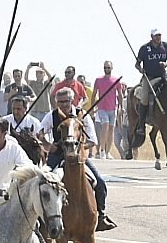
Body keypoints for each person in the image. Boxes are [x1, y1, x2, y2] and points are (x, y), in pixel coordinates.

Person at [40, 88, 116, 231]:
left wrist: (77, 148)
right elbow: (40, 134)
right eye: (60, 102)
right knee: (42, 181)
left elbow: (92, 140)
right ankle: (40, 219)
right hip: (58, 155)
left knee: (99, 182)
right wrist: (50, 147)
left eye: (66, 101)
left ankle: (101, 215)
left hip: (78, 156)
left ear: (72, 101)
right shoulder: (52, 116)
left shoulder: (83, 115)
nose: (63, 105)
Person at [133, 28, 167, 141]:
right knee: (145, 97)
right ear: (151, 36)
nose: (158, 38)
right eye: (156, 36)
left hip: (162, 77)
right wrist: (140, 69)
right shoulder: (144, 48)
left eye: (159, 35)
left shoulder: (166, 47)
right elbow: (137, 64)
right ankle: (141, 124)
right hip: (149, 77)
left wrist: (165, 64)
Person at [92, 61, 126, 159]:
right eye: (105, 67)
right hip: (102, 108)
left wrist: (121, 106)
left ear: (111, 68)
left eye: (108, 67)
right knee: (105, 127)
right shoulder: (98, 80)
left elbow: (120, 94)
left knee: (111, 130)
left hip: (112, 108)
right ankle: (102, 150)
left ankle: (108, 151)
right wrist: (93, 107)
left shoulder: (116, 80)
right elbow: (94, 94)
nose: (107, 69)